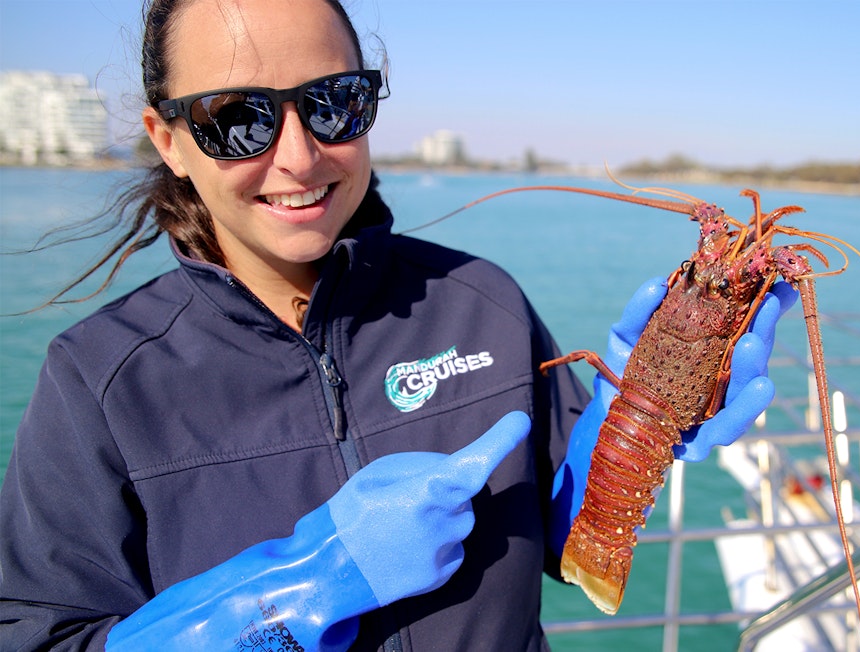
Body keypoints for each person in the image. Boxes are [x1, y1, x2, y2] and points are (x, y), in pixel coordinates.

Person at [0, 0, 794, 650]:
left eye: (331, 102)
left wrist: (637, 416)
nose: (299, 156)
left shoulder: (482, 297)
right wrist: (301, 585)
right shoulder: (97, 380)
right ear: (168, 140)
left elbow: (564, 536)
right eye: (235, 118)